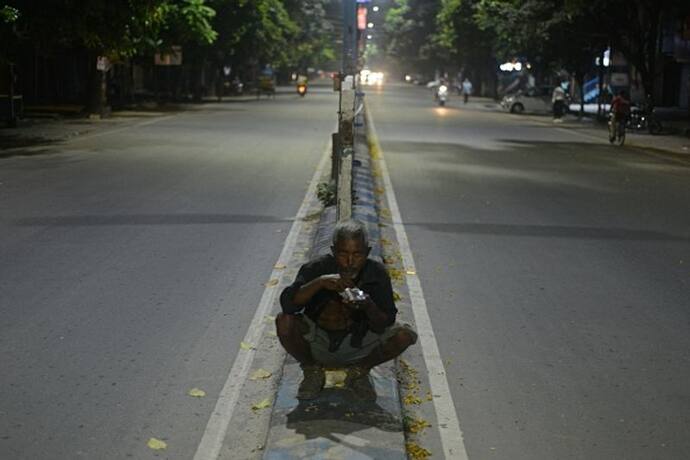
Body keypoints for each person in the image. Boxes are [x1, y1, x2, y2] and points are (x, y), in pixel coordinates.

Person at [276, 219, 418, 401]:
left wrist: (368, 306)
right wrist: (319, 283)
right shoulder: (316, 268)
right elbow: (288, 305)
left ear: (367, 253)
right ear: (334, 251)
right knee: (284, 321)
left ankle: (359, 372)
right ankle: (312, 370)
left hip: (357, 344)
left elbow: (386, 321)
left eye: (357, 255)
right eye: (343, 254)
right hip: (318, 343)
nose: (350, 262)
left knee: (405, 334)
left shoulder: (376, 273)